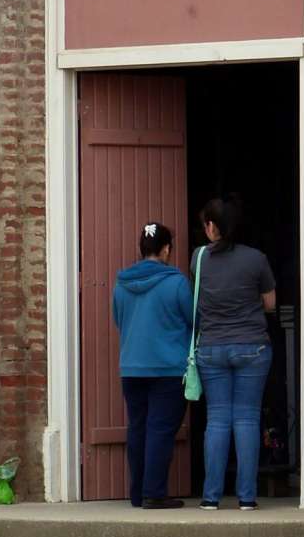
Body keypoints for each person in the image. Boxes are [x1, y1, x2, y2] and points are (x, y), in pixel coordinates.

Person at [192, 196, 276, 511]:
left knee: (217, 420)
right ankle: (247, 497)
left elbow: (197, 300)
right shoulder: (256, 259)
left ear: (211, 226)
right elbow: (269, 304)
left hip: (212, 346)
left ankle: (211, 497)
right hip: (252, 345)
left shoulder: (198, 258)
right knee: (246, 418)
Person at [111, 221, 194, 509]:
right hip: (168, 369)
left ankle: (138, 493)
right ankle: (155, 493)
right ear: (167, 249)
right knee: (160, 429)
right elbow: (193, 321)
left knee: (138, 428)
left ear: (141, 248)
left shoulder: (121, 284)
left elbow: (119, 320)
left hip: (132, 367)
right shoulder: (176, 283)